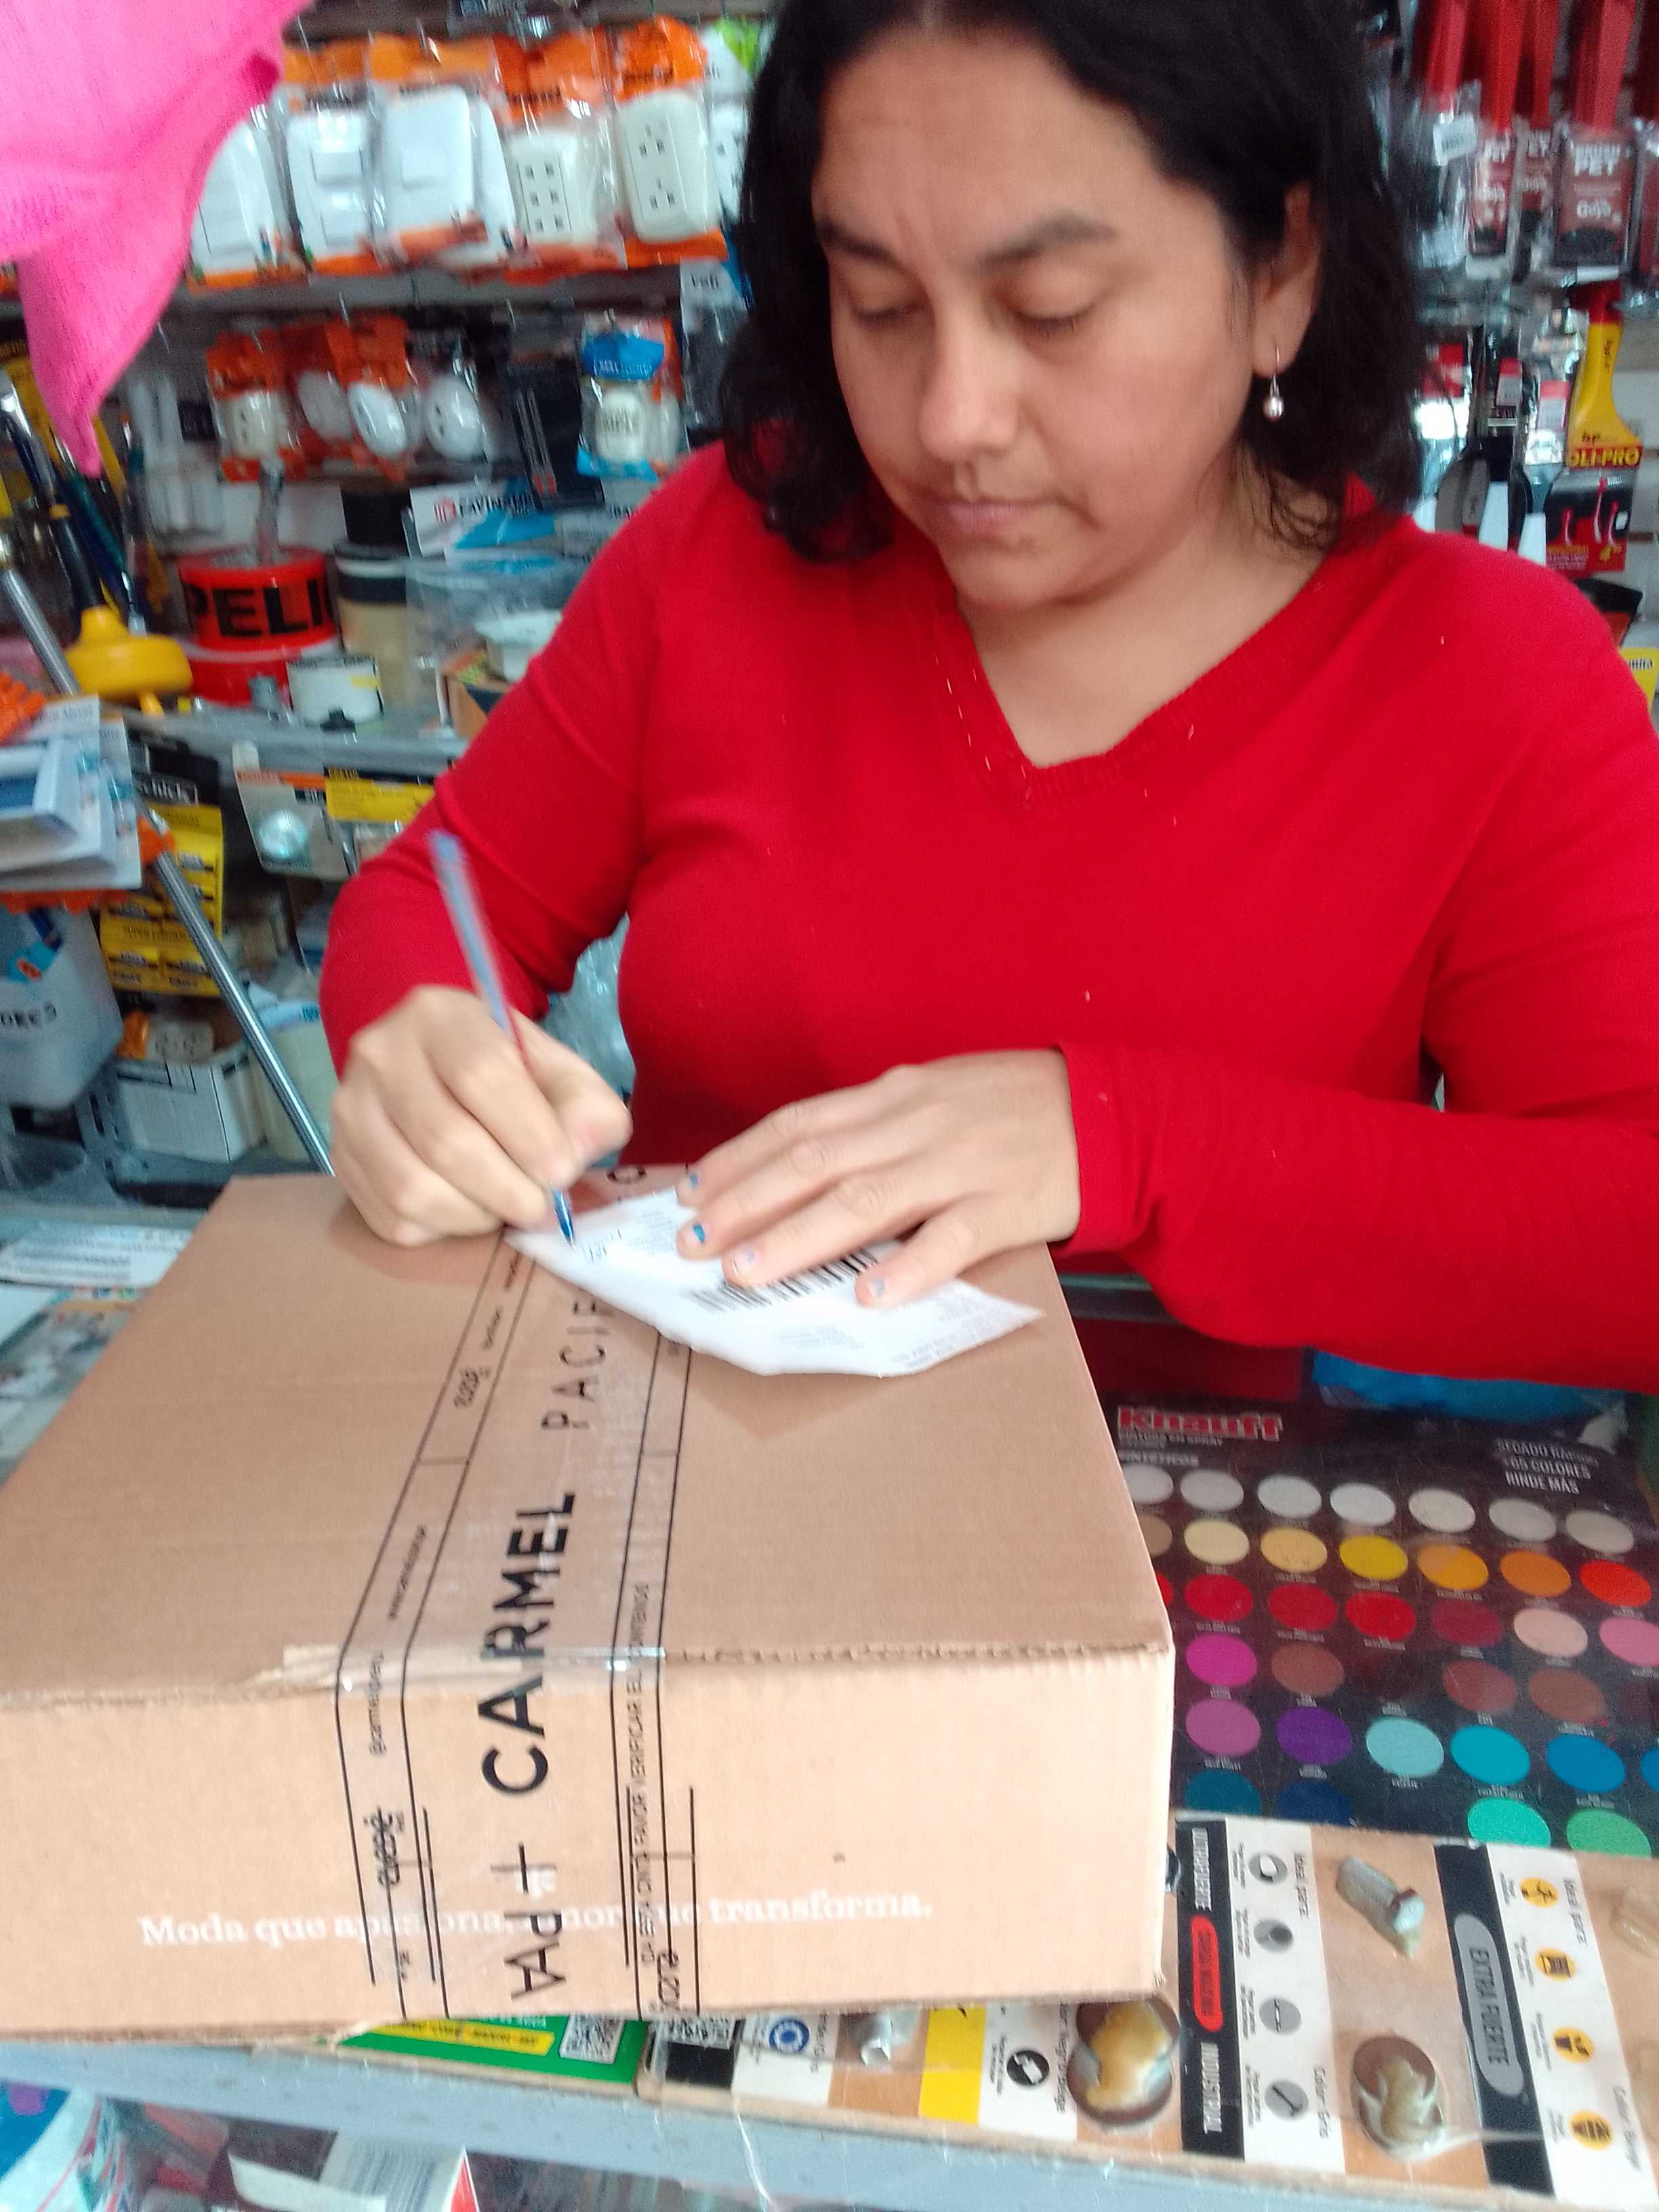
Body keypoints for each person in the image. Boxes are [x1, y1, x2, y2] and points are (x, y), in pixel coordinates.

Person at [321, 0, 1659, 1391]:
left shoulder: (1491, 681)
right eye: (880, 305)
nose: (951, 418)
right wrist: (424, 1055)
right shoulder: (723, 551)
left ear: (1281, 273)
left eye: (1051, 310)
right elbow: (433, 898)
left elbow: (1632, 1244)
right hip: (680, 1485)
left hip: (1183, 1519)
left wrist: (1120, 1141)